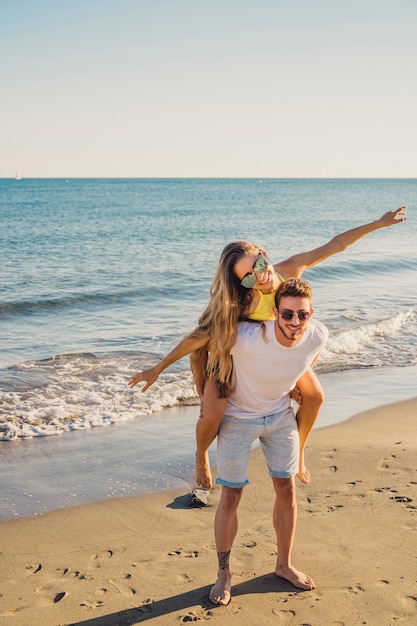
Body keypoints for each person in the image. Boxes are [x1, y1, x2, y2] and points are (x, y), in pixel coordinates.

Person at [128, 207, 407, 493]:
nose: (260, 277)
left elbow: (336, 245)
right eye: (248, 277)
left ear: (263, 253)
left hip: (280, 356)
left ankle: (297, 453)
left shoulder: (290, 270)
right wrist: (157, 369)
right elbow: (201, 337)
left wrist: (378, 223)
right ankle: (201, 456)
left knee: (314, 397)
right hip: (234, 360)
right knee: (211, 416)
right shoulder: (243, 300)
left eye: (259, 265)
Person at [209, 277, 327, 605]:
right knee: (231, 495)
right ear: (275, 312)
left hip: (279, 419)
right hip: (237, 419)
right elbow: (203, 344)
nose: (294, 322)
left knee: (287, 489)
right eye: (287, 314)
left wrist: (293, 380)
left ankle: (284, 565)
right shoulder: (246, 337)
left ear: (311, 313)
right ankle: (224, 573)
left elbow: (306, 357)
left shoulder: (318, 334)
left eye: (302, 315)